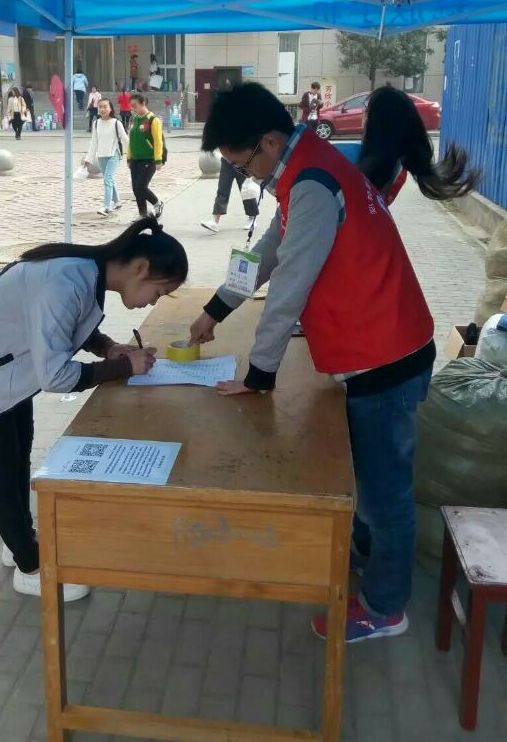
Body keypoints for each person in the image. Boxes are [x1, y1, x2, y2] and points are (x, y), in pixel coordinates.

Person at [189, 82, 436, 644]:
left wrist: (260, 374)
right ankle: (369, 560)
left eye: (243, 163)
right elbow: (267, 252)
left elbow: (289, 286)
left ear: (270, 142)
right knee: (371, 482)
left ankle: (385, 608)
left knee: (385, 496)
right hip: (380, 348)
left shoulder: (313, 183)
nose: (245, 175)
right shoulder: (305, 170)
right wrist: (215, 309)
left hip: (386, 359)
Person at [0, 217, 188, 600]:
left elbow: (64, 325)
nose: (153, 301)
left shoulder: (83, 271)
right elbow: (56, 376)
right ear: (140, 268)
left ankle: (20, 540)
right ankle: (31, 568)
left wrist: (108, 348)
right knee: (1, 468)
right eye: (159, 291)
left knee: (17, 455)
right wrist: (124, 367)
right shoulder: (67, 279)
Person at [358, 85, 479, 206]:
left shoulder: (356, 161)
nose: (362, 113)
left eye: (367, 109)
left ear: (375, 123)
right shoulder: (397, 168)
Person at [85, 98, 129, 217]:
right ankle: (117, 202)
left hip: (113, 155)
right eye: (100, 107)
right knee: (109, 179)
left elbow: (125, 139)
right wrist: (89, 159)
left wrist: (133, 153)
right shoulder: (96, 123)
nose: (103, 109)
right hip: (101, 156)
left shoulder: (116, 123)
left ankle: (106, 206)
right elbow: (94, 142)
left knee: (107, 180)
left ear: (110, 109)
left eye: (105, 107)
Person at [127, 92, 164, 219]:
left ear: (143, 103)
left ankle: (157, 203)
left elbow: (158, 141)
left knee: (141, 187)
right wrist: (129, 157)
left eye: (135, 105)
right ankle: (143, 215)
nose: (133, 108)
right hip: (135, 159)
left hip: (148, 159)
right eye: (131, 106)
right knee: (135, 189)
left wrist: (158, 160)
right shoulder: (134, 119)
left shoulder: (153, 120)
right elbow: (131, 140)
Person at [200, 157, 259, 234]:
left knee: (246, 191)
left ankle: (252, 218)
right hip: (227, 161)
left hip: (242, 161)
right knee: (222, 190)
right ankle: (215, 222)